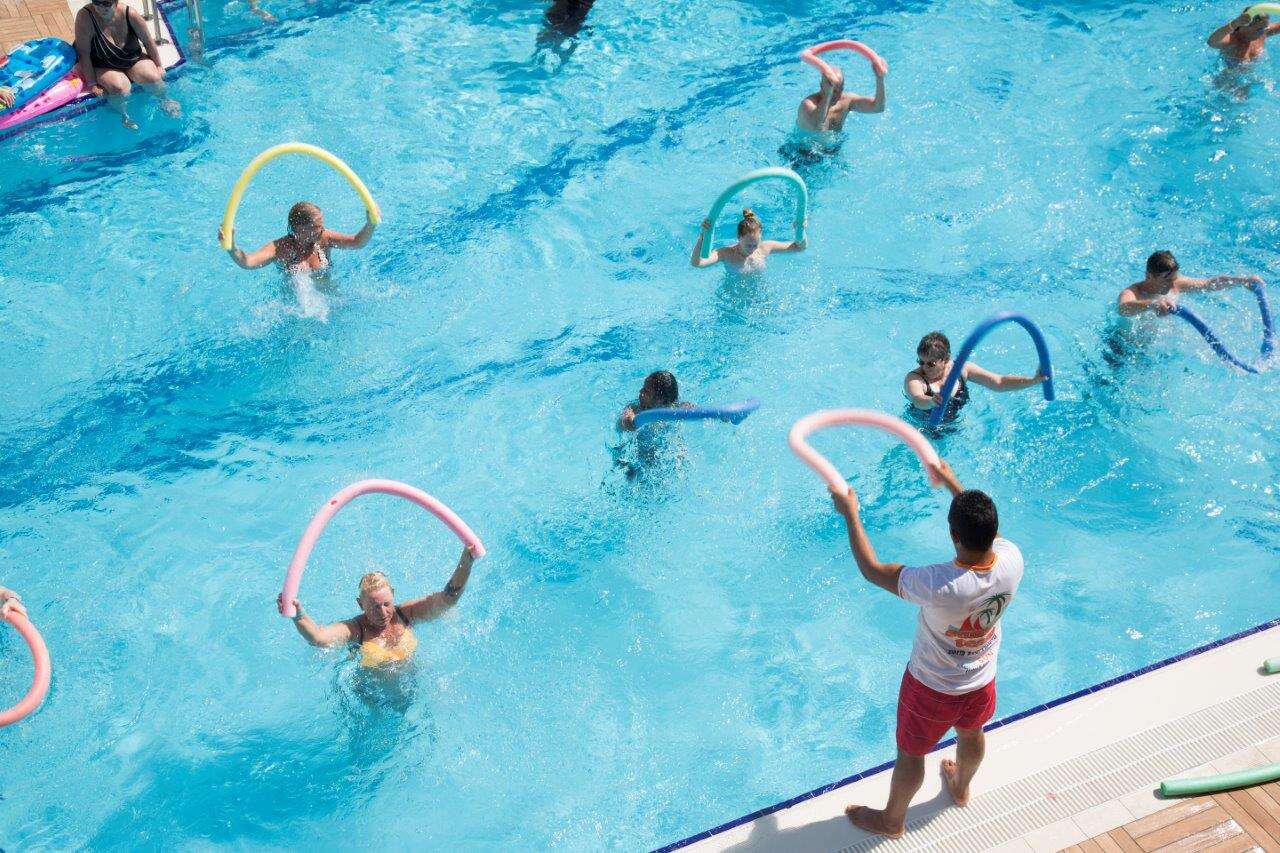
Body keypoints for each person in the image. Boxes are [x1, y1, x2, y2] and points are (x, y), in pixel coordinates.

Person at [829, 460, 1023, 838]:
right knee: (972, 733)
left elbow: (871, 570)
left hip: (931, 689)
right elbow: (990, 534)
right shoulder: (1013, 560)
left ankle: (891, 821)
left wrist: (850, 513)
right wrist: (952, 482)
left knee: (911, 755)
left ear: (953, 534)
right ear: (993, 530)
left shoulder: (938, 584)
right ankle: (961, 787)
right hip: (981, 680)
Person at [279, 547, 475, 668]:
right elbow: (318, 638)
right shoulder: (355, 630)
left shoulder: (407, 614)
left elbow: (448, 599)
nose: (383, 613)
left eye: (386, 604)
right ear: (360, 604)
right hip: (374, 704)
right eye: (374, 607)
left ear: (393, 595)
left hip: (411, 693)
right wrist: (298, 615)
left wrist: (466, 562)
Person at [73, 0, 179, 128]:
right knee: (118, 87)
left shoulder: (130, 14)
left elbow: (148, 42)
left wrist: (159, 66)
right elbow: (84, 53)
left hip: (132, 58)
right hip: (103, 63)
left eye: (106, 3)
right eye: (97, 2)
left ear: (116, 1)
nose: (101, 7)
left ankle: (165, 99)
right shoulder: (85, 17)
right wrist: (92, 84)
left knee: (153, 77)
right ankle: (124, 115)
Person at [904, 332, 1046, 422]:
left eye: (931, 364)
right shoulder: (914, 378)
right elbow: (917, 399)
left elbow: (999, 382)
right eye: (920, 361)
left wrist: (1033, 381)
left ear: (946, 359)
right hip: (920, 430)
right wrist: (931, 402)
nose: (924, 367)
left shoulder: (962, 369)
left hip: (952, 429)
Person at [219, 202, 378, 274]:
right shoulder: (279, 248)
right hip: (295, 311)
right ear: (300, 229)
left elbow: (357, 243)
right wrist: (231, 246)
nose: (322, 229)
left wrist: (370, 223)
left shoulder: (324, 238)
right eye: (317, 226)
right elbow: (247, 262)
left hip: (330, 301)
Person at [1116, 250, 1262, 317]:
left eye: (1174, 278)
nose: (1172, 284)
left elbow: (1209, 284)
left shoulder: (1176, 283)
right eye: (1167, 280)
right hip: (1123, 347)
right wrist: (1152, 304)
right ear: (1149, 276)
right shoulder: (1133, 292)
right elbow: (1123, 308)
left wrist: (1243, 281)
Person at [690, 208, 805, 274]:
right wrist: (703, 236)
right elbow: (697, 263)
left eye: (755, 245)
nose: (752, 249)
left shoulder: (764, 248)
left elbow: (799, 247)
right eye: (748, 245)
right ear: (738, 237)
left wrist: (801, 230)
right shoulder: (725, 253)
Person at [796, 61, 885, 133]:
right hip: (802, 149)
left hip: (835, 148)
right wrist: (827, 95)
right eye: (833, 90)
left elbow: (878, 107)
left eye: (840, 89)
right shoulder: (808, 104)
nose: (837, 94)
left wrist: (880, 79)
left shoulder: (847, 101)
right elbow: (816, 125)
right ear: (821, 85)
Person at [617, 370, 689, 431]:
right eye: (643, 387)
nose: (640, 391)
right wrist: (628, 421)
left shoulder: (673, 407)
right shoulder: (635, 408)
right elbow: (626, 420)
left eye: (646, 391)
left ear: (659, 400)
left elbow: (689, 408)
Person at [1208, 8, 1280, 61]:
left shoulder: (1263, 31)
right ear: (1245, 27)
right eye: (1260, 29)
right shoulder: (1232, 41)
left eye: (1266, 27)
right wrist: (1234, 23)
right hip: (1229, 76)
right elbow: (1211, 42)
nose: (1264, 31)